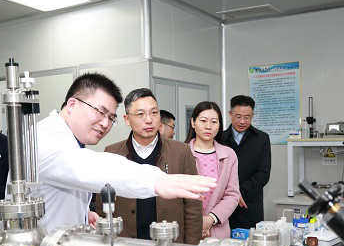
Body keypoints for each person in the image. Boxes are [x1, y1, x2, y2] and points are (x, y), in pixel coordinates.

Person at [35, 73, 216, 233]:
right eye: (100, 112)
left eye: (110, 118)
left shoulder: (70, 140)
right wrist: (157, 181)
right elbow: (94, 168)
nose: (105, 124)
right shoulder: (45, 139)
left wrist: (83, 213)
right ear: (72, 104)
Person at [99, 89, 202, 244]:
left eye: (154, 113)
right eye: (140, 114)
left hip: (170, 245)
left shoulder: (181, 152)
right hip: (125, 245)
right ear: (127, 119)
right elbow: (103, 207)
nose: (149, 120)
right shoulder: (112, 153)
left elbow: (193, 206)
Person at [185, 102, 240, 238]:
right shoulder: (181, 152)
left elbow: (232, 194)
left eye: (214, 122)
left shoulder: (229, 155)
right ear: (193, 122)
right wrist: (197, 221)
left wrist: (210, 219)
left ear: (219, 125)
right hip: (186, 226)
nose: (208, 126)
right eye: (203, 121)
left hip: (217, 228)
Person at [220, 95, 271, 230]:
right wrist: (230, 195)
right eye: (238, 117)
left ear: (252, 115)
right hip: (222, 204)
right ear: (230, 114)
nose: (242, 121)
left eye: (247, 117)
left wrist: (239, 194)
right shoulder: (220, 138)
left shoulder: (261, 139)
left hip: (249, 204)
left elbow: (263, 173)